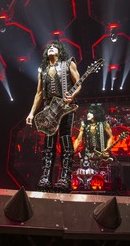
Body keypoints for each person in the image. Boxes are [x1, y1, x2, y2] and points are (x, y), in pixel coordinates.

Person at [26, 40, 81, 193]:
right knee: (49, 143)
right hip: (48, 108)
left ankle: (65, 178)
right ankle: (45, 177)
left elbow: (79, 83)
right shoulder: (42, 70)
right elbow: (39, 93)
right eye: (49, 47)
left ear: (60, 51)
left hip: (65, 107)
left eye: (54, 47)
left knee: (65, 139)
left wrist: (73, 95)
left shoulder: (68, 63)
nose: (51, 48)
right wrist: (31, 113)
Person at [73, 104, 114, 169]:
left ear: (96, 114)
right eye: (88, 112)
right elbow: (78, 139)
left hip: (101, 154)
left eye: (91, 112)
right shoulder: (84, 124)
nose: (88, 114)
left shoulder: (104, 124)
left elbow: (110, 137)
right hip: (88, 155)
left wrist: (107, 150)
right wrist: (72, 151)